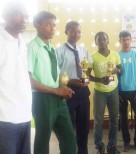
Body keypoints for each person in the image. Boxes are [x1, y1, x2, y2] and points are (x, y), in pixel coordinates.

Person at [27, 11, 76, 154]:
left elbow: (53, 75)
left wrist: (63, 88)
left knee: (69, 139)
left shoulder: (52, 48)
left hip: (59, 99)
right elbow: (28, 80)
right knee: (43, 141)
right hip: (42, 99)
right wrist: (56, 90)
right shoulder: (32, 48)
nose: (53, 28)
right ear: (37, 25)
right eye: (48, 25)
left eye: (54, 25)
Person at [56, 21, 92, 154]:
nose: (76, 34)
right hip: (68, 92)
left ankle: (83, 152)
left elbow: (87, 70)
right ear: (66, 32)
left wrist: (86, 81)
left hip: (83, 92)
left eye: (78, 31)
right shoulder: (59, 51)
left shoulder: (84, 50)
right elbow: (55, 74)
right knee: (67, 127)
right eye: (72, 31)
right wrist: (71, 82)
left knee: (84, 127)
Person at [0, 1, 32, 154]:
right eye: (19, 15)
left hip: (24, 114)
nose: (24, 20)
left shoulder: (22, 43)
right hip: (4, 117)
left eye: (26, 17)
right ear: (4, 15)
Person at [87, 31, 122, 154]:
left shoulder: (115, 54)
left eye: (104, 39)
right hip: (99, 92)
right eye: (99, 39)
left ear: (108, 41)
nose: (102, 41)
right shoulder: (92, 57)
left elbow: (121, 70)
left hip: (113, 91)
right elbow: (88, 76)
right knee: (98, 120)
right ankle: (99, 147)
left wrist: (114, 70)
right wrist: (99, 79)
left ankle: (112, 146)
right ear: (95, 42)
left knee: (114, 119)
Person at [118, 30, 136, 152]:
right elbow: (114, 75)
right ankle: (126, 141)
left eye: (128, 39)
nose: (126, 42)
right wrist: (117, 92)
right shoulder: (116, 55)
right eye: (123, 40)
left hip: (135, 91)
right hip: (121, 92)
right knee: (123, 118)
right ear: (120, 41)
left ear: (131, 40)